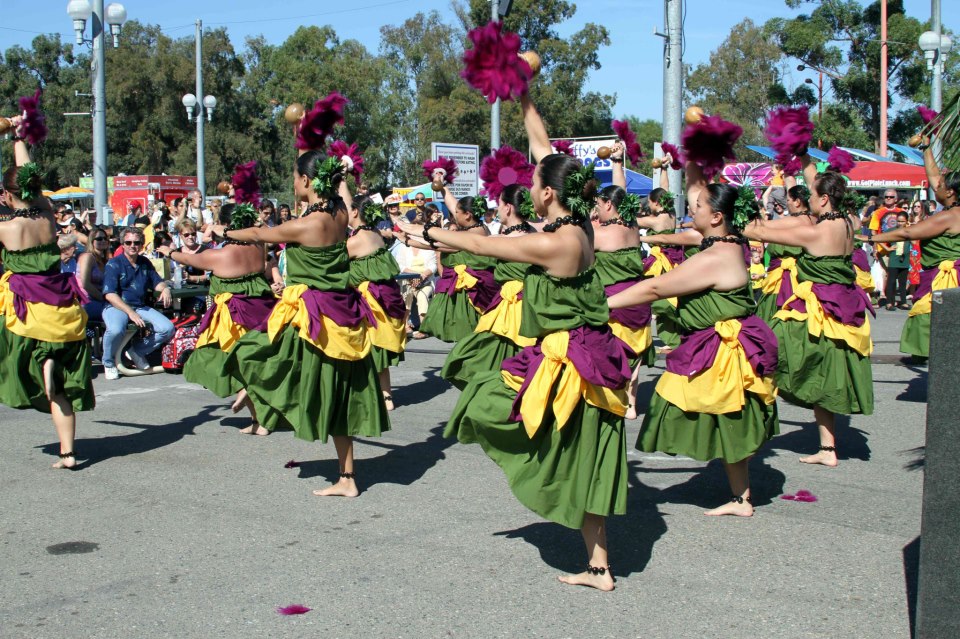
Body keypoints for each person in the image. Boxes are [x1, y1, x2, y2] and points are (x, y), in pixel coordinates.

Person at [401, 93, 632, 591]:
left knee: (489, 404)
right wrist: (524, 94)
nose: (528, 184)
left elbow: (487, 245)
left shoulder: (556, 242)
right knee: (579, 454)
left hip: (571, 359)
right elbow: (543, 148)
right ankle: (599, 568)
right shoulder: (576, 223)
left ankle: (594, 559)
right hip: (577, 351)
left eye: (534, 181)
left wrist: (432, 235)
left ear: (549, 193)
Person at [608, 162, 779, 517]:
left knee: (724, 417)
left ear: (716, 217)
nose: (692, 209)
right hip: (725, 342)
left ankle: (741, 499)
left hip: (724, 350)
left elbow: (656, 287)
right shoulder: (727, 240)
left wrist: (602, 303)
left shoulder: (716, 255)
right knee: (728, 419)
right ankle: (740, 497)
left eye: (699, 207)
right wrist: (692, 160)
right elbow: (692, 198)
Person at [219, 150, 389, 498]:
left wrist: (224, 228)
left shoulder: (307, 224)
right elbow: (340, 188)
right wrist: (339, 169)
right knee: (338, 393)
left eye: (296, 177)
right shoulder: (341, 211)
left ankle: (259, 401)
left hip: (317, 317)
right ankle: (347, 477)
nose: (293, 182)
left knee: (251, 352)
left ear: (307, 181)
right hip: (344, 311)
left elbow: (260, 234)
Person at [744, 154, 874, 467]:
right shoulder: (847, 222)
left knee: (764, 352)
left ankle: (751, 430)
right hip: (844, 309)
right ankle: (827, 449)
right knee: (823, 376)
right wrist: (803, 158)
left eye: (813, 195)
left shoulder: (814, 233)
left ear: (825, 199)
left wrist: (735, 217)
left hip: (815, 311)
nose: (808, 198)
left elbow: (757, 233)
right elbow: (817, 180)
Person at [0, 133, 94, 469]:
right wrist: (15, 138)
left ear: (7, 195)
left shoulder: (6, 229)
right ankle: (67, 453)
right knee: (60, 390)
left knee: (14, 351)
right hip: (60, 299)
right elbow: (28, 175)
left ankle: (41, 370)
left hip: (27, 301)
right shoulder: (48, 215)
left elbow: (25, 179)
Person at [156, 199, 275, 435]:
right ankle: (258, 421)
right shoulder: (258, 247)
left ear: (225, 224)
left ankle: (251, 400)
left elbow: (189, 259)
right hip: (260, 309)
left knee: (229, 365)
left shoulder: (220, 255)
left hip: (233, 316)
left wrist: (169, 252)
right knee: (251, 364)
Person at [866, 142, 960, 360]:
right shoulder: (952, 210)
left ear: (951, 191)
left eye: (941, 186)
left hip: (946, 279)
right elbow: (935, 176)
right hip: (946, 275)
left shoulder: (948, 216)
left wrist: (870, 237)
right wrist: (927, 148)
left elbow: (907, 233)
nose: (936, 187)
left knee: (937, 331)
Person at [437, 183, 536, 389]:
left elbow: (467, 242)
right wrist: (445, 190)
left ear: (508, 207)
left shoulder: (502, 239)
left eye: (499, 204)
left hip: (513, 309)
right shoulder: (537, 232)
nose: (496, 209)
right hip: (530, 304)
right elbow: (460, 217)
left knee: (481, 357)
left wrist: (423, 231)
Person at [411, 189, 497, 343]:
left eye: (458, 212)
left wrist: (408, 237)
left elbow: (439, 244)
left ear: (468, 214)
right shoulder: (477, 227)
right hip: (466, 289)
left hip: (473, 292)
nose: (454, 215)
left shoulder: (472, 233)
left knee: (470, 335)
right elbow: (453, 206)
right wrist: (443, 188)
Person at [346, 194, 407, 411]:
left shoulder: (355, 241)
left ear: (355, 212)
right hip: (381, 297)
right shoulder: (375, 234)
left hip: (368, 300)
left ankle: (373, 394)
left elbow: (332, 262)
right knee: (375, 346)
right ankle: (386, 395)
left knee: (368, 346)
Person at [100, 227, 175, 380]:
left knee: (167, 328)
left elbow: (157, 282)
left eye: (136, 242)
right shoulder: (113, 264)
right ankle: (108, 362)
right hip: (117, 306)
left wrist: (165, 289)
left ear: (141, 244)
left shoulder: (144, 262)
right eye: (128, 242)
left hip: (140, 305)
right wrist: (130, 312)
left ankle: (137, 351)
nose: (132, 245)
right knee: (115, 329)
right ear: (122, 244)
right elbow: (109, 294)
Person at [755, 183, 811, 325]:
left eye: (788, 200)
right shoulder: (814, 221)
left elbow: (760, 229)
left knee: (775, 315)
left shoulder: (790, 221)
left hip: (784, 279)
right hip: (804, 277)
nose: (786, 203)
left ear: (797, 202)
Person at [394, 231, 436, 339]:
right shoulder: (403, 248)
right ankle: (405, 325)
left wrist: (422, 276)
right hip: (407, 279)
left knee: (422, 296)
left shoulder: (427, 247)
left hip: (425, 280)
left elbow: (433, 266)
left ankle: (424, 327)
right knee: (406, 295)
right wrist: (413, 276)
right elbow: (400, 266)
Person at [877, 213, 911, 310]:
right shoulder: (892, 231)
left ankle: (903, 302)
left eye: (902, 221)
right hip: (894, 259)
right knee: (891, 281)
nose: (900, 223)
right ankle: (889, 302)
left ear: (906, 221)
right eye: (898, 221)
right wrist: (887, 249)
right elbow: (879, 238)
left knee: (903, 282)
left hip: (904, 259)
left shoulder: (909, 232)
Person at [76, 226, 111, 321]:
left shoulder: (105, 261)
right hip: (86, 301)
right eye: (99, 239)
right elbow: (85, 284)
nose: (103, 241)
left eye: (105, 238)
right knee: (117, 314)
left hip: (102, 300)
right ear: (92, 241)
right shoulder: (87, 257)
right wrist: (104, 299)